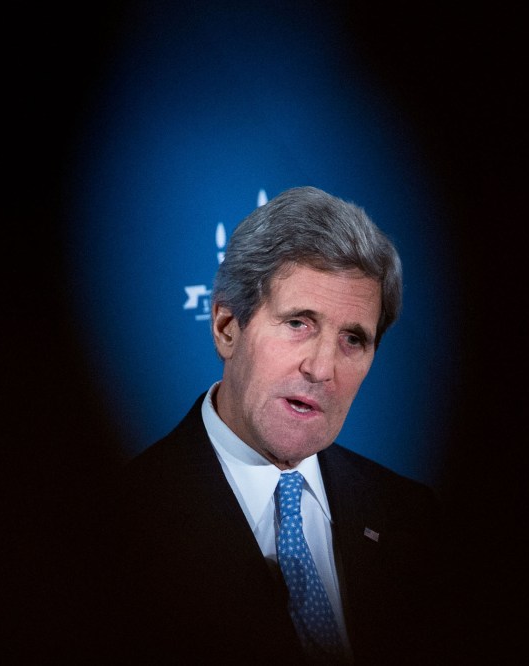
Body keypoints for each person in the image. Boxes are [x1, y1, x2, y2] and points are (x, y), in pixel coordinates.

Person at [104, 186, 452, 664]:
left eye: (353, 338)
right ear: (227, 326)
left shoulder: (412, 516)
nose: (322, 369)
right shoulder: (114, 527)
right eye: (298, 323)